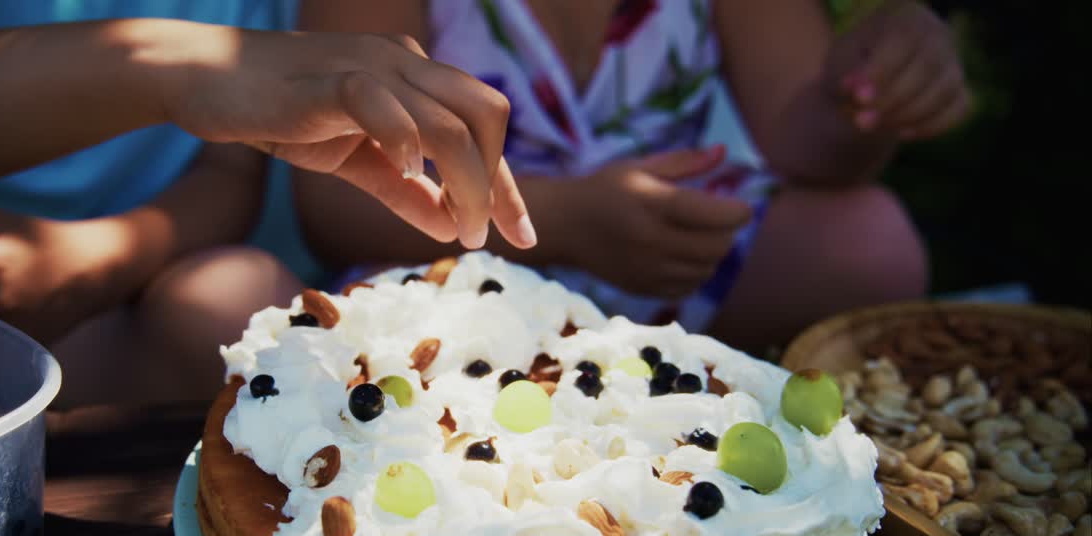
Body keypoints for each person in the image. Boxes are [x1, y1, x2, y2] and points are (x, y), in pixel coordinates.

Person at [0, 0, 535, 406]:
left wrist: (108, 252)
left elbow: (228, 169)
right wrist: (170, 66)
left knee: (242, 307)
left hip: (135, 268)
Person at [294, 0, 970, 350]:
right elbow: (330, 200)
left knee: (870, 245)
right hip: (457, 271)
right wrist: (570, 224)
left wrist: (863, 96)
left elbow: (806, 147)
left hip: (674, 260)